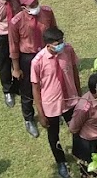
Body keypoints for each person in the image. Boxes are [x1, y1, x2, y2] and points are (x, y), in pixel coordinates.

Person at [31, 26, 81, 178]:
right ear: (48, 44)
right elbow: (36, 88)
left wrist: (79, 94)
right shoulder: (37, 62)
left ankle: (79, 153)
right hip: (51, 105)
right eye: (57, 43)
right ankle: (61, 162)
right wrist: (40, 113)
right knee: (54, 135)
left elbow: (74, 71)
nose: (61, 45)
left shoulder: (68, 50)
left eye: (62, 41)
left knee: (77, 128)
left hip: (71, 99)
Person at [9, 0, 57, 136]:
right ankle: (28, 118)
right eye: (32, 4)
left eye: (36, 2)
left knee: (49, 83)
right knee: (27, 90)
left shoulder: (47, 12)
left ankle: (50, 111)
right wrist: (16, 68)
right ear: (24, 7)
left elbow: (54, 31)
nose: (36, 6)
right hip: (28, 58)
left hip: (45, 53)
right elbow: (13, 45)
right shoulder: (16, 22)